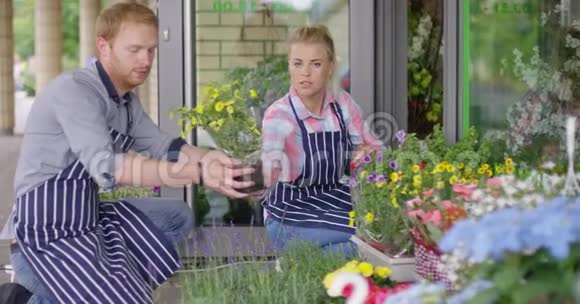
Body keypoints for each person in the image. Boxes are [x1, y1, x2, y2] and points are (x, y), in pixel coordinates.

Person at [1, 3, 255, 303]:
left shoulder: (126, 103)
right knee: (108, 291)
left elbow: (166, 146)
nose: (146, 60)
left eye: (151, 50)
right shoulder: (75, 91)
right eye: (134, 49)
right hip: (44, 233)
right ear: (103, 46)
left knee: (176, 216)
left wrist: (208, 158)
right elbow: (109, 167)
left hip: (86, 219)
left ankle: (115, 287)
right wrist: (197, 174)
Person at [260, 25, 383, 258]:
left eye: (315, 64)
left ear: (330, 68)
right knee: (365, 244)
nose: (305, 73)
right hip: (291, 213)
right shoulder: (279, 115)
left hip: (337, 203)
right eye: (297, 64)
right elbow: (268, 174)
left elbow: (375, 150)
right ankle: (305, 262)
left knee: (370, 241)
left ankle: (301, 266)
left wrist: (367, 155)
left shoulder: (342, 105)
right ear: (289, 66)